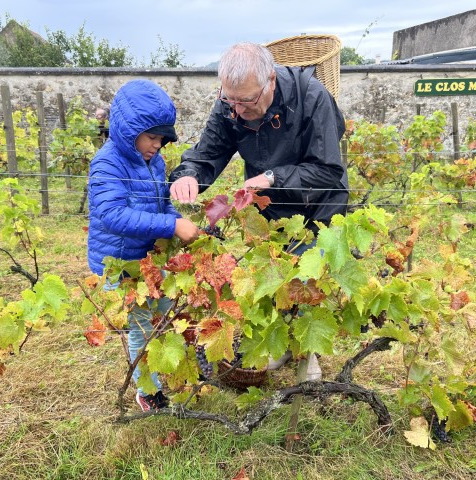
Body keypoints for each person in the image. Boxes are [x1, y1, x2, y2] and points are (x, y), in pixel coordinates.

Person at [169, 42, 349, 380]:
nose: (237, 110)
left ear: (270, 80)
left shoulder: (312, 98)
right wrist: (188, 174)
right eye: (230, 101)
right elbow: (208, 151)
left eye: (246, 101)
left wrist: (273, 176)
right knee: (275, 280)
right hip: (270, 208)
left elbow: (327, 171)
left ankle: (307, 356)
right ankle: (282, 346)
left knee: (307, 283)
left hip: (319, 207)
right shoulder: (232, 103)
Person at [87, 79, 200, 412]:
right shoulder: (107, 164)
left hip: (151, 259)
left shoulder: (155, 161)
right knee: (140, 327)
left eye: (162, 139)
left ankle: (169, 371)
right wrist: (171, 224)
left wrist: (175, 220)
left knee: (165, 315)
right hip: (122, 264)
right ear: (128, 130)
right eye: (152, 137)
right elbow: (112, 215)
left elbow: (163, 202)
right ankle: (146, 390)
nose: (157, 145)